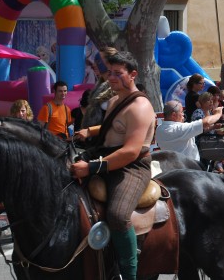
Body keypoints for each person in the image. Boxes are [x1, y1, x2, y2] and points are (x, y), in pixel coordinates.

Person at [71, 51, 156, 280]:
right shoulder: (116, 99)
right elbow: (116, 126)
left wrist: (90, 168)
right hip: (107, 157)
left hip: (131, 167)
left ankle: (129, 274)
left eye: (118, 74)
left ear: (133, 75)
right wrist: (91, 130)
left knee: (118, 215)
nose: (111, 77)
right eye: (110, 72)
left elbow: (130, 151)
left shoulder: (140, 107)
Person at [155, 100, 223, 160]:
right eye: (181, 112)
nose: (183, 115)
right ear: (173, 115)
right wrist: (218, 113)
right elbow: (207, 122)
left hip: (171, 168)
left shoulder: (159, 129)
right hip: (188, 169)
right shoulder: (179, 129)